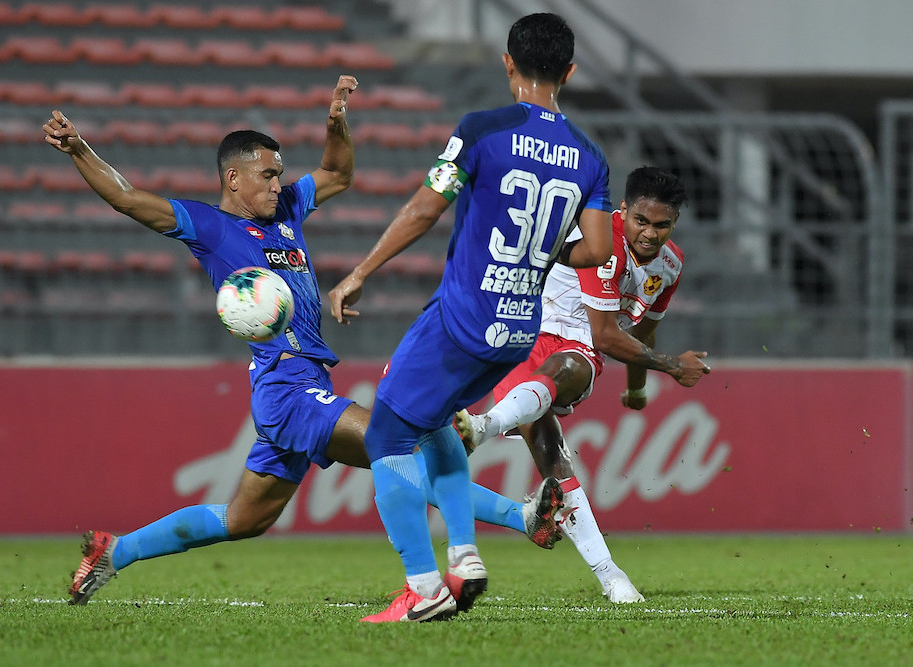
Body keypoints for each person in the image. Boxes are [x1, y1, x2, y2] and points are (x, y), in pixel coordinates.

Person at [44, 76, 564, 607]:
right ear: (233, 177)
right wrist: (80, 149)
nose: (277, 185)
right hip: (286, 388)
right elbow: (128, 199)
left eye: (279, 175)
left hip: (301, 386)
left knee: (243, 519)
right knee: (394, 440)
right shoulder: (208, 226)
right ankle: (520, 518)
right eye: (267, 176)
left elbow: (339, 172)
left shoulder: (288, 209)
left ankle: (116, 551)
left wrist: (336, 124)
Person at [328, 14, 614, 623]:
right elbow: (594, 251)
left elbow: (425, 208)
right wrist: (542, 249)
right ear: (568, 72)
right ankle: (464, 552)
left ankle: (424, 585)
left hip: (462, 318)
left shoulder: (483, 130)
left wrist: (361, 272)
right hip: (517, 330)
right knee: (433, 425)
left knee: (386, 435)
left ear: (508, 63)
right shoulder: (590, 158)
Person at [453, 166, 712, 603]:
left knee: (570, 367)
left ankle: (484, 428)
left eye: (662, 224)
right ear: (623, 210)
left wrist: (636, 388)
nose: (649, 233)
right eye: (641, 221)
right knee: (554, 459)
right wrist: (671, 367)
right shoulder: (602, 238)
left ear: (675, 222)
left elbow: (641, 333)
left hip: (576, 347)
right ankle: (613, 577)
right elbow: (609, 337)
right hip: (529, 337)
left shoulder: (670, 266)